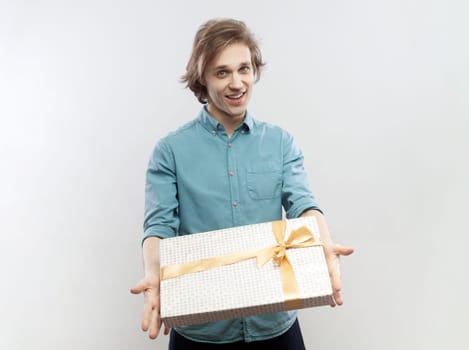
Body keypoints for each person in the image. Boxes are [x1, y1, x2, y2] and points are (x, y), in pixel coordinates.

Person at [130, 18, 354, 349]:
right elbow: (159, 226)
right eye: (222, 72)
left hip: (275, 326)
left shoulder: (280, 143)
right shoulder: (170, 151)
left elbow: (303, 205)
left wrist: (323, 240)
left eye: (244, 69)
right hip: (201, 331)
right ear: (202, 79)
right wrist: (153, 272)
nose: (237, 83)